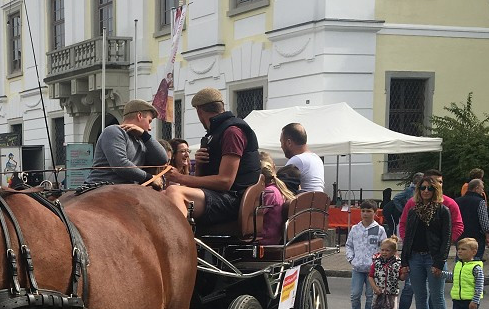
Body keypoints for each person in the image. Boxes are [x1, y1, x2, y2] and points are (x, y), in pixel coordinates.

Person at [160, 88, 261, 226]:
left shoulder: (232, 132)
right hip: (221, 196)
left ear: (199, 111)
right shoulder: (216, 133)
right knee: (160, 196)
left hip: (235, 200)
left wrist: (180, 178)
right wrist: (201, 166)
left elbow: (225, 181)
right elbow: (204, 182)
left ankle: (180, 242)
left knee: (174, 191)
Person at [400, 175, 452, 309]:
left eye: (430, 188)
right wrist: (404, 261)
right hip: (415, 257)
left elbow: (446, 238)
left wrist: (439, 262)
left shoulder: (442, 210)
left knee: (437, 297)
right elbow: (408, 237)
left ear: (436, 190)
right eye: (422, 188)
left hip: (433, 257)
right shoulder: (414, 211)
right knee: (420, 296)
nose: (426, 191)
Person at [84, 99, 168, 186]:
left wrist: (145, 135)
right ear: (139, 116)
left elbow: (162, 159)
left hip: (126, 190)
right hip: (101, 187)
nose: (150, 128)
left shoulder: (141, 141)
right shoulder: (114, 131)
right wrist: (150, 178)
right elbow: (120, 165)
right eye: (149, 121)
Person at [259, 160, 294, 309]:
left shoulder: (269, 193)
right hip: (270, 237)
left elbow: (255, 217)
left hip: (265, 240)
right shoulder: (275, 190)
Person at [345, 201, 386, 309]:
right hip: (357, 268)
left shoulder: (379, 229)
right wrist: (351, 259)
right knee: (355, 294)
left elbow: (384, 247)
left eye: (369, 211)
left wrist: (378, 262)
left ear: (375, 212)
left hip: (372, 270)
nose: (365, 214)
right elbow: (349, 245)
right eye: (363, 211)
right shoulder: (355, 229)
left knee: (370, 295)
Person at [449, 238, 484, 309]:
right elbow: (454, 277)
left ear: (473, 252)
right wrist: (442, 274)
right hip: (457, 300)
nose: (459, 251)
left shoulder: (476, 267)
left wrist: (475, 300)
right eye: (458, 249)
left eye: (463, 249)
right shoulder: (458, 265)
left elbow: (479, 285)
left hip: (470, 301)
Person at [368, 237, 402, 309]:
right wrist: (374, 287)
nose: (384, 252)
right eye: (382, 250)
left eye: (387, 250)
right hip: (379, 292)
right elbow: (371, 276)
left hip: (391, 292)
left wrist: (405, 272)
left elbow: (401, 277)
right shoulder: (377, 262)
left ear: (394, 252)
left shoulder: (398, 263)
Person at [279, 123, 325, 193]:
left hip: (303, 202)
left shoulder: (297, 160)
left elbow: (281, 187)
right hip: (319, 201)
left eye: (281, 142)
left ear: (289, 143)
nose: (281, 146)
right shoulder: (316, 158)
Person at [456, 178, 489, 260]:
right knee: (475, 259)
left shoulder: (457, 201)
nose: (482, 191)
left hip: (460, 235)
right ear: (476, 188)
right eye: (482, 188)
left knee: (460, 258)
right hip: (476, 236)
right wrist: (488, 235)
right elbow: (484, 221)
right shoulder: (480, 202)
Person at [383, 172, 419, 238]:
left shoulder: (417, 190)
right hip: (390, 210)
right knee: (393, 226)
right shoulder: (410, 190)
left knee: (395, 224)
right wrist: (402, 210)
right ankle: (390, 241)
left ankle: (391, 240)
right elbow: (396, 198)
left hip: (395, 211)